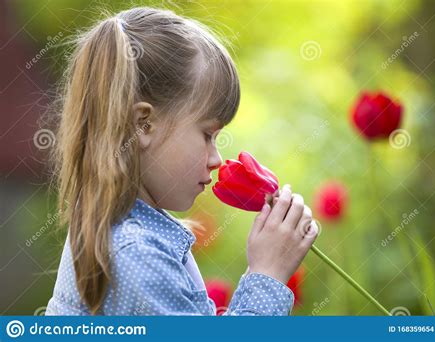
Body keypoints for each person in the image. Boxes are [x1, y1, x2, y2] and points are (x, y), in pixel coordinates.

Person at [45, 6, 319, 316]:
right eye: (207, 135)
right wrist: (267, 275)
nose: (217, 160)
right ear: (143, 125)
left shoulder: (131, 235)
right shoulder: (136, 255)